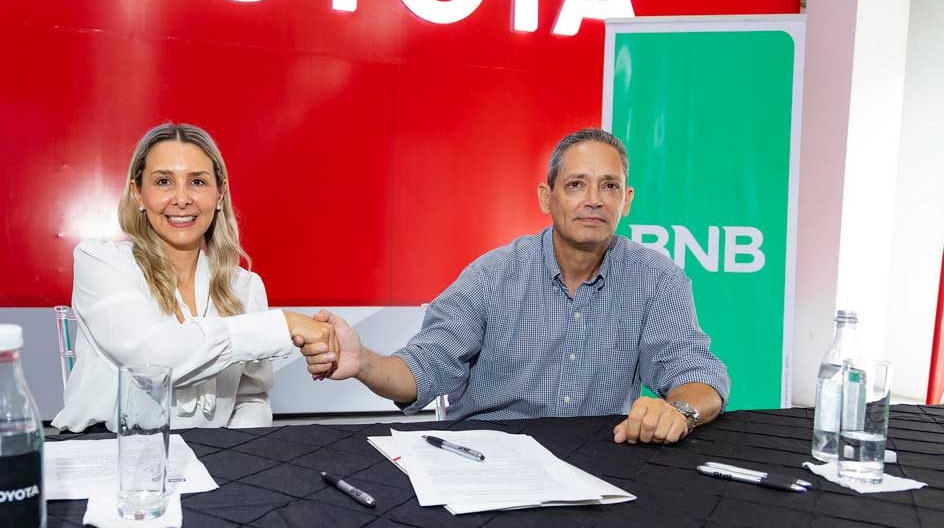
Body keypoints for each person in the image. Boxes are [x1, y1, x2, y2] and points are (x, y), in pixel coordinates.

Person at [302, 128, 729, 445]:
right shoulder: (492, 275)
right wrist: (363, 362)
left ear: (627, 200)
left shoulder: (657, 279)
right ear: (546, 197)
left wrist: (679, 410)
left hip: (600, 459)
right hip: (487, 457)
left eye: (609, 186)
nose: (594, 200)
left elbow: (699, 375)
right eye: (576, 184)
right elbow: (424, 368)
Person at [54, 123, 336, 431]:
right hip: (107, 450)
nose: (182, 199)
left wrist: (233, 450)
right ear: (138, 194)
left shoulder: (245, 287)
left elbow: (251, 399)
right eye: (163, 181)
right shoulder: (101, 262)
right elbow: (152, 358)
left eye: (197, 182)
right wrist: (285, 324)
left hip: (211, 454)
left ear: (219, 194)